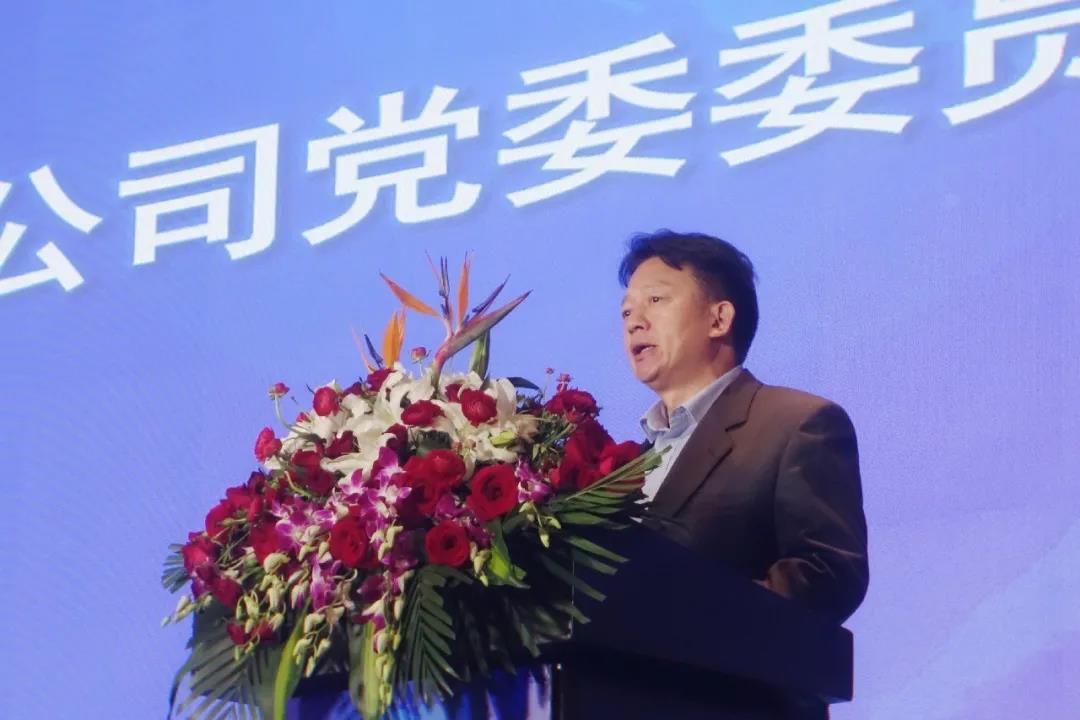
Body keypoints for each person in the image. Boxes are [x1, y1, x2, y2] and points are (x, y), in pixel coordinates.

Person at [619, 230, 868, 625]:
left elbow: (827, 574)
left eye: (655, 300)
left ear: (719, 318)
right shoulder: (627, 464)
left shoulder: (798, 424)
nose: (634, 323)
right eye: (626, 312)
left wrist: (688, 625)